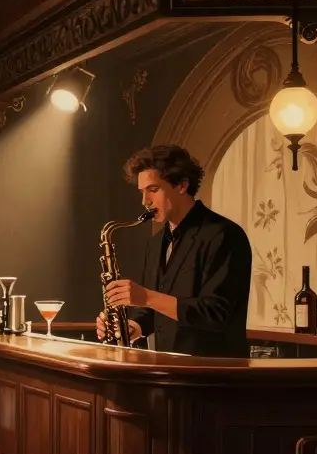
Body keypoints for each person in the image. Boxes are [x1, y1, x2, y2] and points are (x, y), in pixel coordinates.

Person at [97, 145, 252, 357]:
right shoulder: (156, 242)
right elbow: (153, 312)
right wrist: (131, 327)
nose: (145, 202)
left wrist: (146, 297)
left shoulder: (224, 235)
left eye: (153, 190)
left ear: (181, 185)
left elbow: (215, 313)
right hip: (169, 371)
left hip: (214, 375)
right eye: (142, 192)